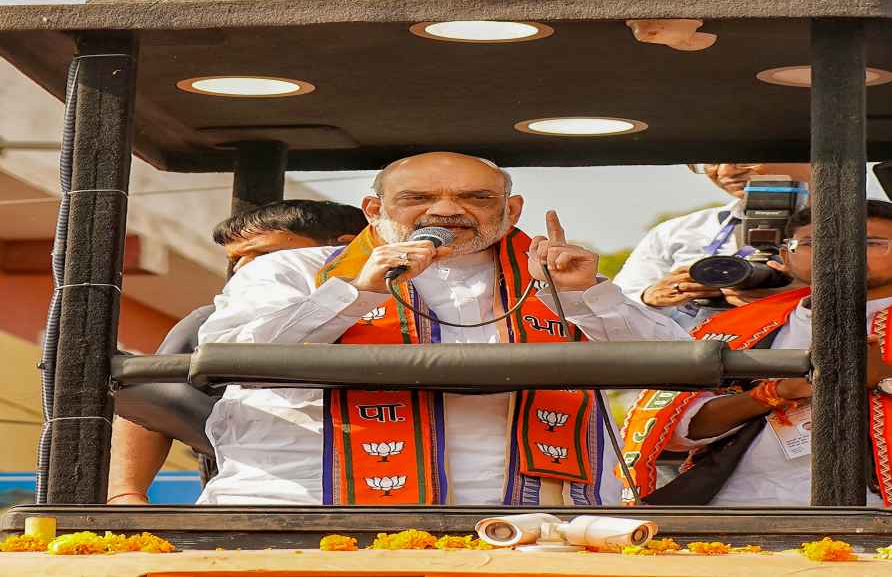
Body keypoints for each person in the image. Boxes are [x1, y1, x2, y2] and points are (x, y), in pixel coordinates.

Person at [196, 151, 690, 507]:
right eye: (419, 197)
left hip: (529, 527)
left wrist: (585, 296)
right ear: (374, 211)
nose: (447, 211)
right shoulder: (297, 269)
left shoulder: (554, 275)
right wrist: (356, 291)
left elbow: (675, 370)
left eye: (475, 197)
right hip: (304, 507)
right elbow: (229, 356)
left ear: (511, 211)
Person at [620, 200, 892, 506]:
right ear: (786, 257)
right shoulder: (742, 324)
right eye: (812, 243)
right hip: (732, 505)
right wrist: (773, 393)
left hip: (874, 514)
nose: (840, 252)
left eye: (870, 242)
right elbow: (679, 431)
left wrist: (882, 380)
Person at [107, 199, 367, 505]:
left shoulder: (423, 312)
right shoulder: (211, 323)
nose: (243, 268)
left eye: (265, 254)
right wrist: (125, 496)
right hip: (265, 487)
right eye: (236, 260)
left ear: (345, 249)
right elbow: (150, 405)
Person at [613, 163, 812, 329]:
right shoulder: (676, 231)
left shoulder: (840, 225)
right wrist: (650, 296)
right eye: (711, 162)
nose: (725, 171)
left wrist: (805, 297)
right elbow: (613, 309)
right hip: (693, 361)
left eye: (744, 159)